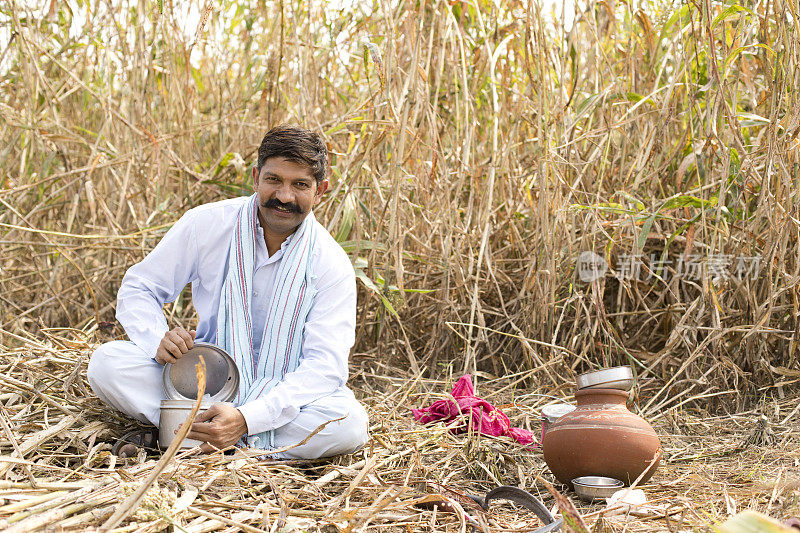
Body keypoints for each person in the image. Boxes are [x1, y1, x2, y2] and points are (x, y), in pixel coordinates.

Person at [88, 126, 369, 458]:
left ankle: (197, 438)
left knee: (348, 424)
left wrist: (248, 418)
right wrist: (158, 340)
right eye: (274, 180)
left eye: (300, 185)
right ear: (255, 177)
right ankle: (234, 442)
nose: (284, 196)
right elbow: (139, 287)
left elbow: (324, 367)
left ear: (320, 191)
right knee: (106, 364)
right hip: (202, 383)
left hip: (280, 395)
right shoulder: (207, 224)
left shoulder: (331, 264)